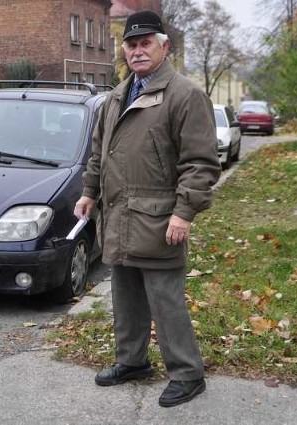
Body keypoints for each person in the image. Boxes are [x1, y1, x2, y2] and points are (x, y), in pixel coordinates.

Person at [74, 10, 221, 408]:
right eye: (131, 45)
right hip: (119, 217)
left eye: (146, 44)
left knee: (166, 302)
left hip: (159, 220)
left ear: (163, 46)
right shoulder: (118, 95)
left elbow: (201, 164)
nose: (138, 51)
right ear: (123, 50)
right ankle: (132, 362)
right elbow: (97, 154)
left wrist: (183, 213)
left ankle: (188, 374)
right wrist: (89, 192)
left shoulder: (185, 95)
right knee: (126, 298)